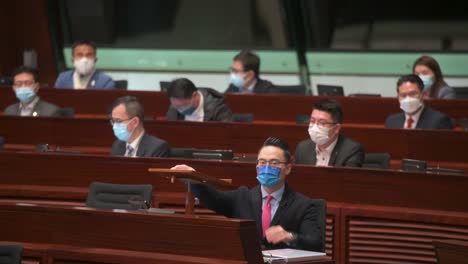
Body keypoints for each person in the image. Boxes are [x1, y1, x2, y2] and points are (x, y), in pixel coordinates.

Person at [171, 137, 324, 251]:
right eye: (262, 162)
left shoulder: (303, 205)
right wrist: (192, 177)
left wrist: (289, 236)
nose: (266, 168)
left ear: (288, 168)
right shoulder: (242, 197)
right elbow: (214, 199)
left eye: (274, 163)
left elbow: (316, 243)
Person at [295, 99, 364, 167]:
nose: (315, 127)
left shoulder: (351, 151)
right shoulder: (302, 148)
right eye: (312, 121)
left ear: (336, 128)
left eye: (322, 123)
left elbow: (348, 178)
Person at [385, 74, 454, 130]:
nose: (408, 99)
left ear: (423, 94)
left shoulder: (439, 121)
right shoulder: (391, 121)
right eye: (403, 95)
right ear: (398, 98)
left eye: (413, 94)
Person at [166, 78, 232, 122]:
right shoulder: (173, 108)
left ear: (195, 95)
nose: (180, 110)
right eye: (176, 106)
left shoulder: (218, 108)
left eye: (184, 105)